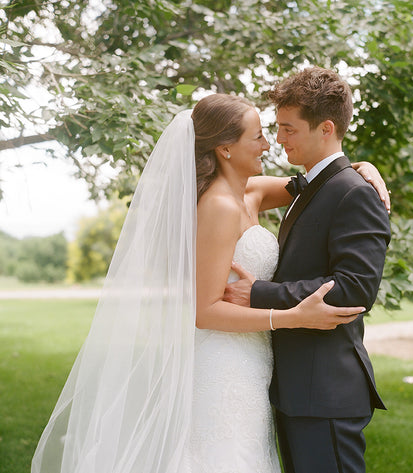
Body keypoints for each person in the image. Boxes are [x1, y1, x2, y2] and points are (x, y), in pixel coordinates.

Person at [31, 92, 388, 473]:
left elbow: (322, 180)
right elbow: (204, 311)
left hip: (258, 362)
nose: (270, 144)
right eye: (258, 137)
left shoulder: (252, 191)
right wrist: (291, 316)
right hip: (226, 361)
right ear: (225, 149)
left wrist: (364, 167)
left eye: (277, 131)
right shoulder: (219, 206)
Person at [224, 67, 391, 473]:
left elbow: (355, 289)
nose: (278, 139)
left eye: (288, 129)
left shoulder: (354, 193)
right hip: (297, 388)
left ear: (326, 128)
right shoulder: (312, 186)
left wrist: (260, 294)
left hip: (326, 390)